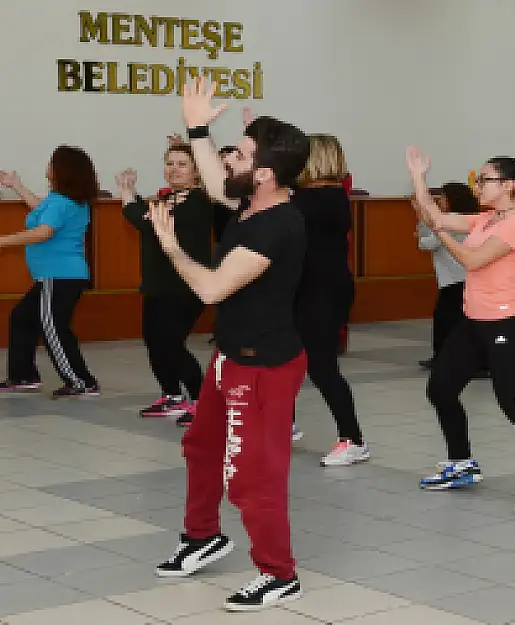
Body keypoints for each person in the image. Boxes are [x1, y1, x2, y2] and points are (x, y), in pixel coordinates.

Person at [150, 76, 310, 613]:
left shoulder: (276, 227)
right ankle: (203, 536)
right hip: (230, 357)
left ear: (263, 174)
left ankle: (278, 573)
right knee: (201, 447)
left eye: (239, 154)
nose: (227, 159)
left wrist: (171, 246)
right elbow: (219, 183)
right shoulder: (251, 203)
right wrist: (197, 127)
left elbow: (213, 287)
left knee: (252, 478)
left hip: (264, 368)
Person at [405, 146, 515, 515]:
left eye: (485, 179)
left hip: (508, 323)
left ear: (509, 186)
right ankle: (461, 463)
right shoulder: (486, 219)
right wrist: (419, 178)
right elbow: (434, 215)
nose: (478, 185)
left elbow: (472, 259)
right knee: (441, 389)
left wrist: (441, 233)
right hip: (474, 322)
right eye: (478, 179)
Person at [118, 145, 214, 422]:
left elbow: (147, 222)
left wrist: (126, 193)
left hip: (184, 286)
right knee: (154, 342)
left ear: (196, 171)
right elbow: (147, 217)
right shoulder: (167, 199)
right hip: (158, 284)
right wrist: (132, 196)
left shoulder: (198, 202)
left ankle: (200, 401)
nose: (174, 169)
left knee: (172, 343)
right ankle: (172, 394)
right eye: (170, 163)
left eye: (182, 164)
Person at [292, 134, 369, 467]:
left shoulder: (324, 198)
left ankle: (353, 439)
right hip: (307, 289)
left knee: (322, 368)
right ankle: (284, 425)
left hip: (322, 292)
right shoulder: (313, 197)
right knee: (286, 362)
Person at [0, 148, 101, 398]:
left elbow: (44, 232)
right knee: (22, 317)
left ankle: (81, 382)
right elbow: (41, 209)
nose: (48, 166)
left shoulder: (61, 202)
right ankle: (23, 376)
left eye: (52, 163)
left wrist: (2, 241)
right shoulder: (68, 201)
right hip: (60, 276)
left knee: (53, 327)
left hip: (58, 276)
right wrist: (17, 186)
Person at [417, 182, 479, 369]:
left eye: (443, 197)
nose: (440, 201)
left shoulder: (450, 219)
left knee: (445, 320)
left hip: (453, 280)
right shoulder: (469, 218)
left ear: (453, 199)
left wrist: (421, 224)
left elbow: (429, 244)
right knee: (461, 320)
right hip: (466, 276)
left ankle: (442, 358)